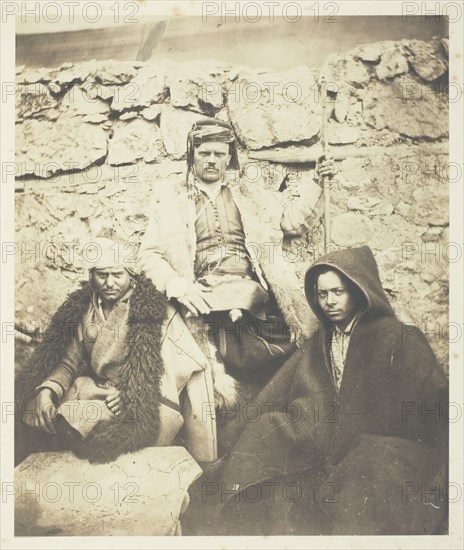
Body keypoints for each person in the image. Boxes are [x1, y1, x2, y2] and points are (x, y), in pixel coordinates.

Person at [191, 245, 448, 535]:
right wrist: (239, 432)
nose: (329, 301)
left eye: (338, 292)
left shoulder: (397, 336)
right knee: (269, 439)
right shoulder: (321, 340)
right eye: (322, 294)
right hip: (324, 437)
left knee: (366, 475)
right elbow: (280, 390)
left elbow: (432, 398)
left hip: (382, 443)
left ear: (358, 290)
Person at [138, 118, 336, 386]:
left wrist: (317, 180)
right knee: (197, 369)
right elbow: (148, 256)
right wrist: (179, 286)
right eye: (204, 153)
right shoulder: (171, 200)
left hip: (253, 299)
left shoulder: (250, 195)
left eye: (219, 154)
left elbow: (293, 222)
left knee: (302, 349)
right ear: (191, 156)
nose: (211, 160)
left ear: (229, 157)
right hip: (200, 300)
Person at [15, 237, 218, 465]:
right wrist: (48, 390)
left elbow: (170, 373)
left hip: (143, 400)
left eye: (117, 275)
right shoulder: (85, 310)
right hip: (100, 392)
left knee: (73, 426)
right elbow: (67, 363)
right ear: (92, 276)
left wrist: (133, 394)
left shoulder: (155, 311)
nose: (109, 283)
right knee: (36, 412)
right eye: (102, 275)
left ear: (131, 277)